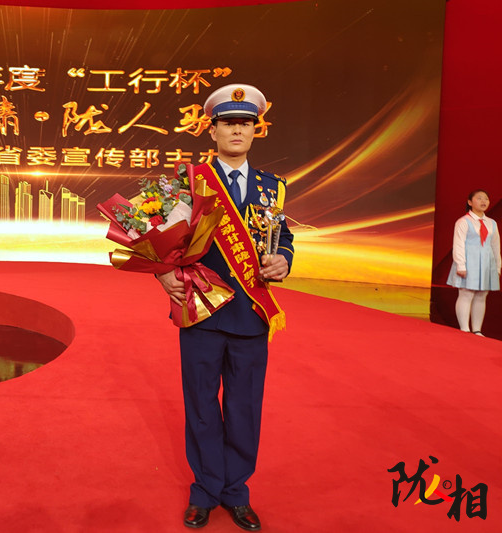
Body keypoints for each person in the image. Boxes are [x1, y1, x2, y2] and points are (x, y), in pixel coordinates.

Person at [156, 84, 294, 531]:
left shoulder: (272, 187)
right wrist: (162, 273)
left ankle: (235, 491)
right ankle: (204, 490)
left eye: (245, 123)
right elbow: (161, 237)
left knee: (243, 409)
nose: (237, 130)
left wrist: (283, 259)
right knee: (200, 405)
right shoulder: (190, 180)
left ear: (255, 131)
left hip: (251, 314)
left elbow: (284, 238)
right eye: (228, 123)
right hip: (201, 310)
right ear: (212, 130)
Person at [446, 189, 501, 335]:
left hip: (487, 263)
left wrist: (497, 266)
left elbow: (495, 246)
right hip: (469, 262)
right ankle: (464, 329)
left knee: (481, 295)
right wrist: (461, 265)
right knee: (466, 294)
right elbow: (458, 244)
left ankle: (477, 330)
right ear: (470, 202)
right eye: (479, 198)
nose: (484, 201)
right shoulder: (463, 222)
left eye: (486, 199)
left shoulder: (492, 223)